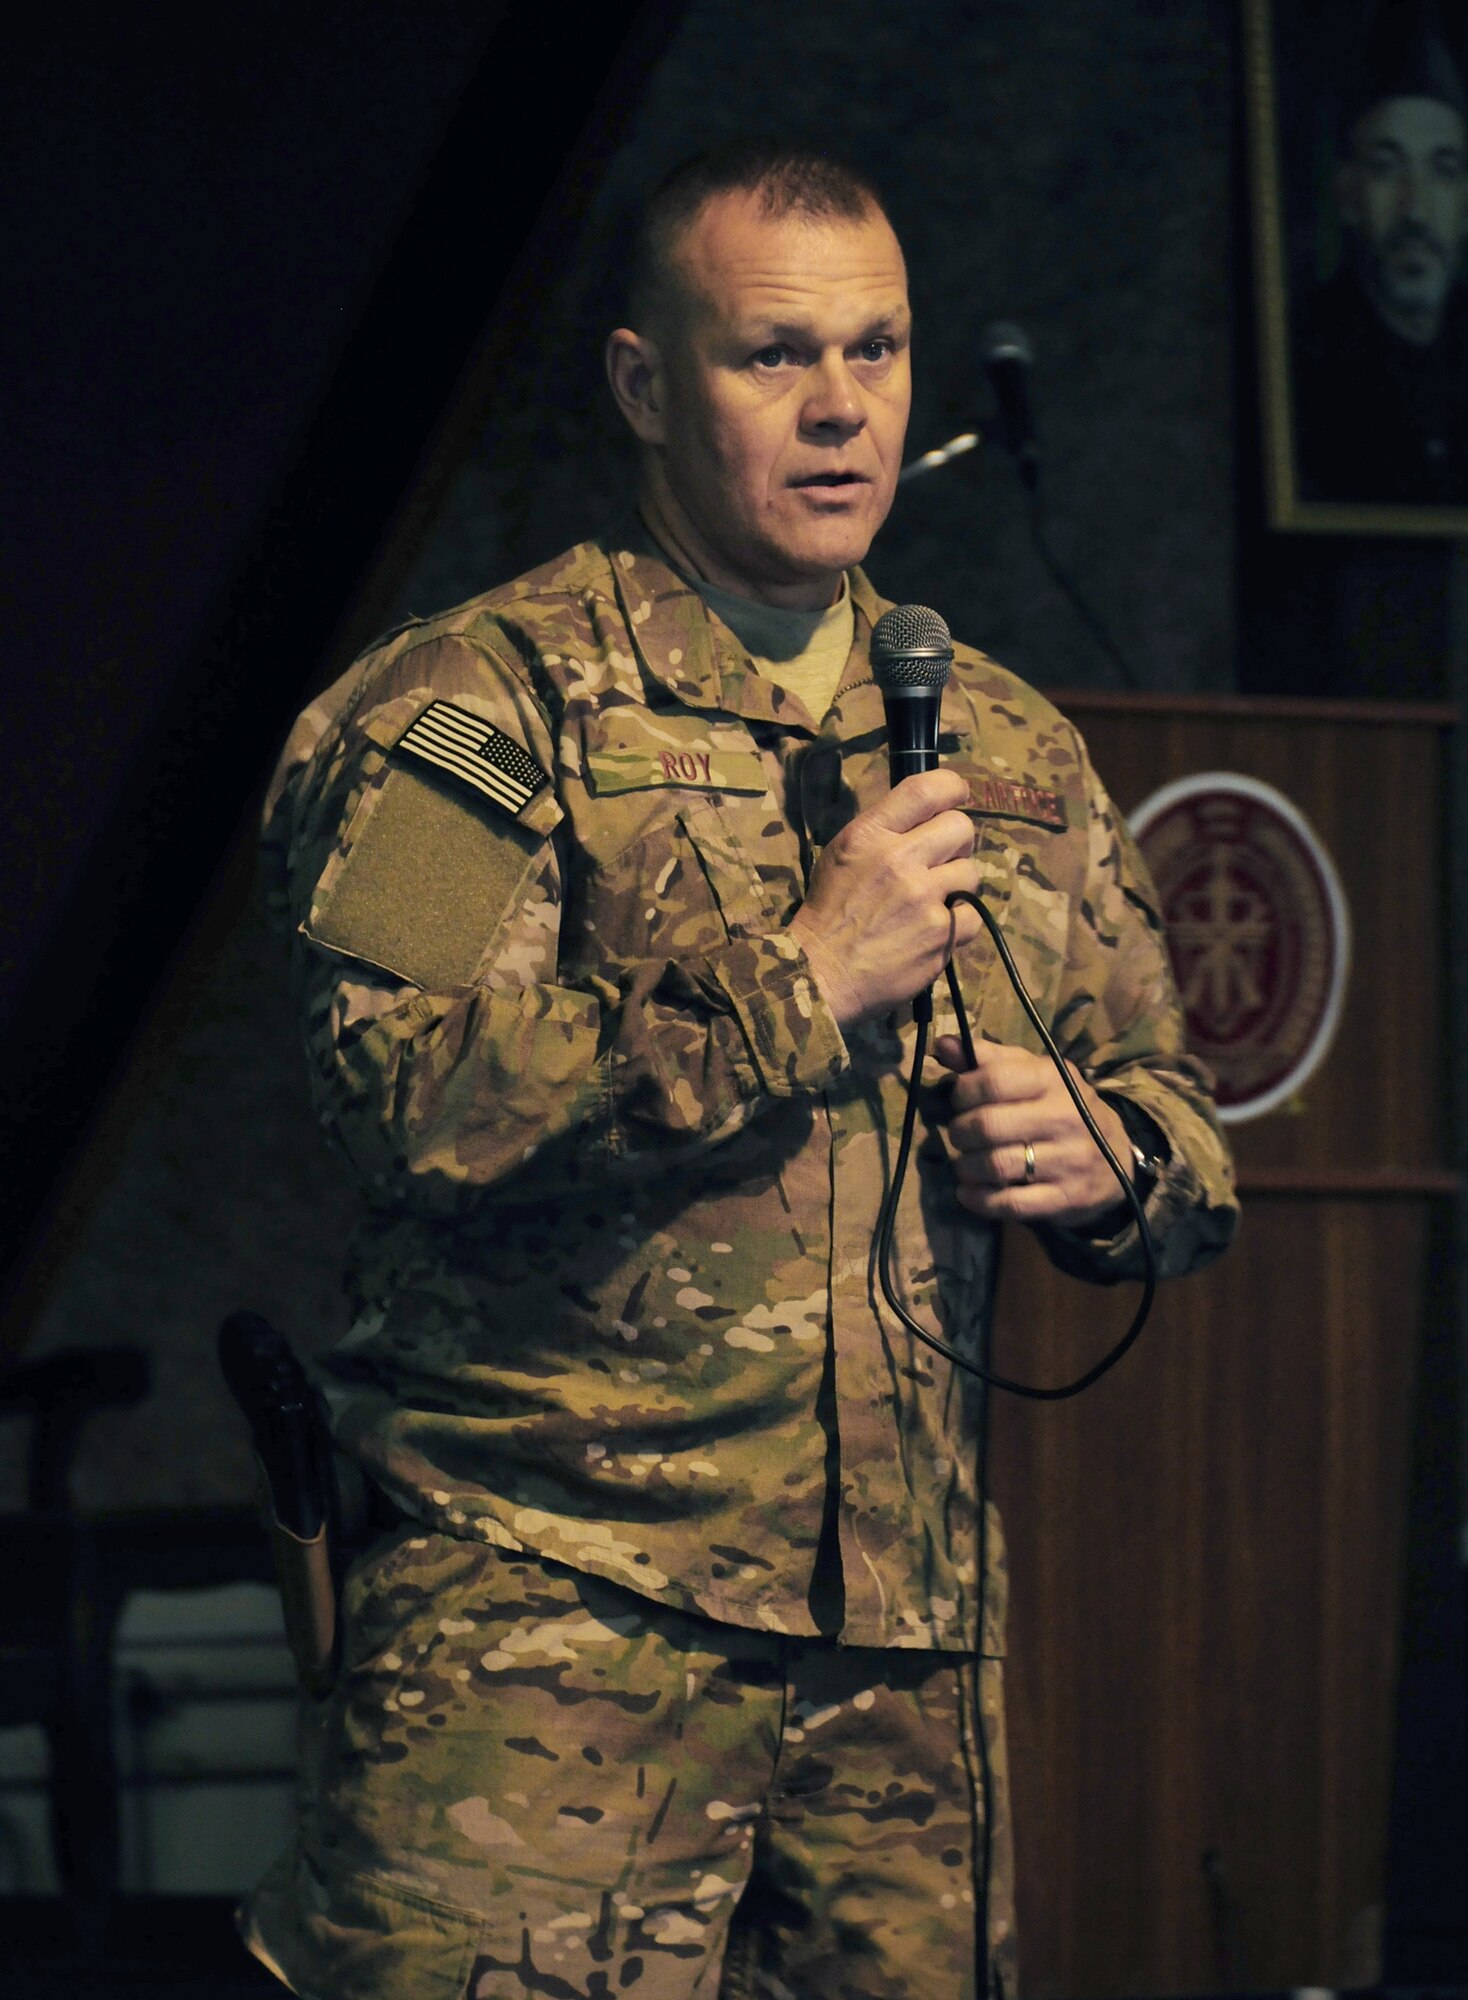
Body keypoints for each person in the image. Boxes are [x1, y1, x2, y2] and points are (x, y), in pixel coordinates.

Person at [242, 144, 1238, 2000]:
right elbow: (399, 1096)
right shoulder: (465, 716)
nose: (842, 407)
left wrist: (1114, 1165)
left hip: (906, 1664)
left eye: (878, 351)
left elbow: (1174, 1118)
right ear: (641, 385)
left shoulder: (1003, 742)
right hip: (551, 1626)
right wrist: (794, 980)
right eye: (774, 356)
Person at [1294, 3, 1468, 503]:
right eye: (1388, 168)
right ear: (1348, 195)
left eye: (1444, 169)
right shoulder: (1309, 359)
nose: (1415, 211)